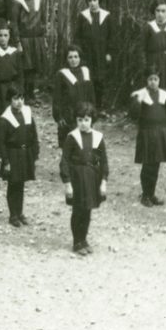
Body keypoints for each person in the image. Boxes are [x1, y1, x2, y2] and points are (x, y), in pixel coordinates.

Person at [60, 102, 108, 255]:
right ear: (76, 120)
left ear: (92, 120)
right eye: (80, 120)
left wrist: (103, 181)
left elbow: (104, 160)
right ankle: (77, 241)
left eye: (86, 120)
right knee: (78, 209)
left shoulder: (98, 137)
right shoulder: (72, 137)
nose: (83, 123)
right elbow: (65, 161)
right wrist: (67, 183)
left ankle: (84, 238)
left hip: (92, 176)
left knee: (87, 209)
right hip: (77, 177)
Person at [130, 70, 166, 207]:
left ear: (159, 81)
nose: (153, 82)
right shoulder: (140, 94)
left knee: (156, 164)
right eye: (150, 79)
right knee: (148, 164)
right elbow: (134, 114)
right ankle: (145, 194)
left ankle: (151, 194)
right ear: (146, 81)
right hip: (147, 132)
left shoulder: (164, 94)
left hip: (160, 132)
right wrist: (138, 101)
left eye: (156, 79)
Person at [0, 89, 39, 228]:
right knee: (13, 184)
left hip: (25, 153)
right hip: (12, 154)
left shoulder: (27, 113)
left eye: (21, 98)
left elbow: (33, 134)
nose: (19, 101)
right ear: (10, 100)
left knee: (21, 184)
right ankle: (13, 214)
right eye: (15, 99)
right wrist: (6, 160)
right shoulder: (5, 119)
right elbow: (1, 142)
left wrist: (34, 153)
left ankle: (20, 212)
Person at [74, 0, 112, 110]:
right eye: (90, 0)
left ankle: (99, 106)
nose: (92, 3)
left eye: (95, 0)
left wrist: (109, 52)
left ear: (99, 1)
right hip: (87, 53)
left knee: (100, 79)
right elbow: (78, 36)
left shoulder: (106, 16)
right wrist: (79, 53)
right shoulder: (83, 16)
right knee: (87, 78)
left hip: (101, 53)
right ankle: (87, 106)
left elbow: (111, 36)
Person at [52, 45, 95, 148]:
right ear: (66, 59)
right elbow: (57, 97)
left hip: (85, 113)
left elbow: (91, 94)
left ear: (80, 58)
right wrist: (59, 116)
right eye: (70, 57)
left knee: (85, 146)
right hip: (69, 115)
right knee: (71, 147)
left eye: (76, 57)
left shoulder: (85, 71)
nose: (73, 60)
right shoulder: (62, 74)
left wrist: (93, 112)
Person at [12, 0, 47, 101]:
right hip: (25, 39)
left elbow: (43, 20)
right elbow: (14, 23)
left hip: (37, 40)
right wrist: (17, 41)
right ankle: (24, 94)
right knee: (26, 68)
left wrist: (44, 37)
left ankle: (31, 93)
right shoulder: (18, 2)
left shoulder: (39, 1)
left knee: (34, 68)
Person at [143, 1, 166, 90]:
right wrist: (145, 68)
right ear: (154, 12)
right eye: (158, 11)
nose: (160, 14)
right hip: (153, 64)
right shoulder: (148, 27)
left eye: (163, 11)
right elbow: (142, 49)